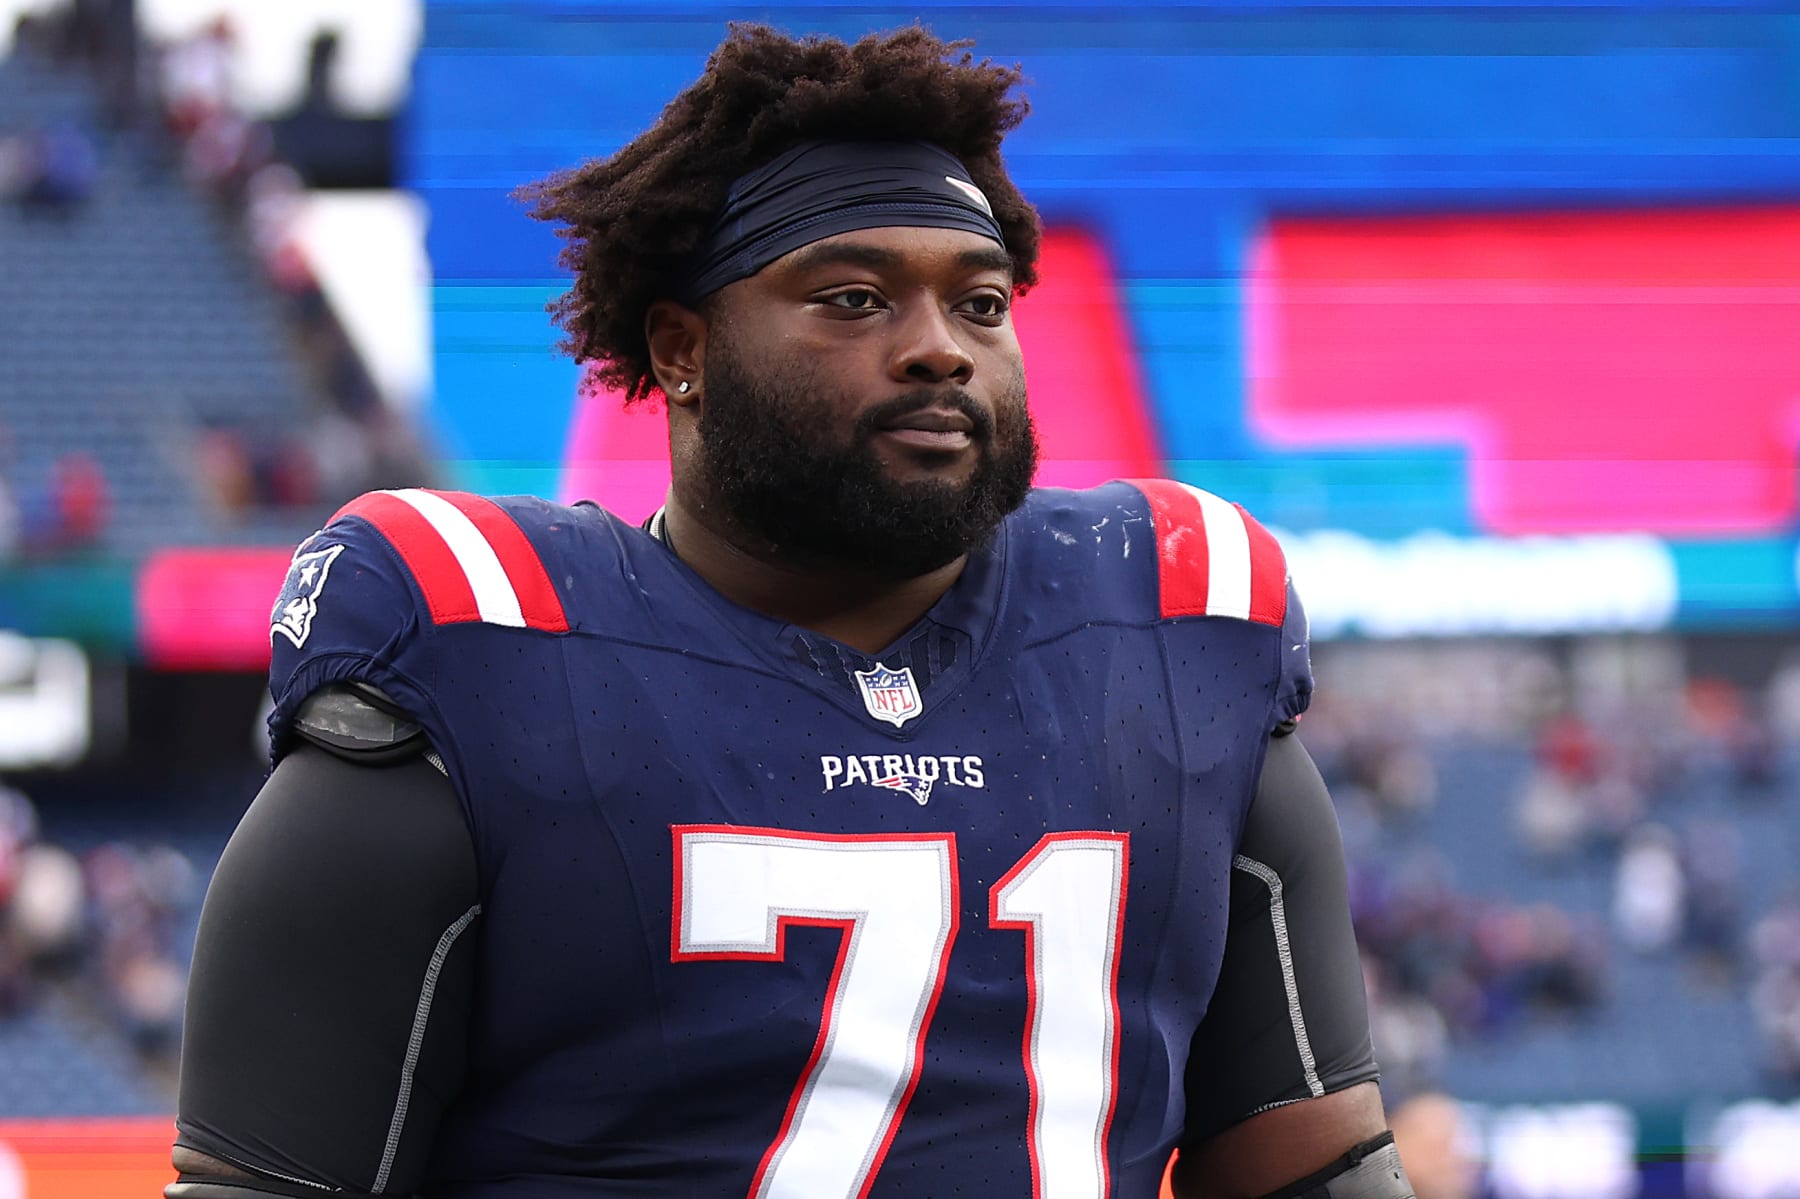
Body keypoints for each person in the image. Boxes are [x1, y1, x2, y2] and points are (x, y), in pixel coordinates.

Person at [169, 25, 1414, 1199]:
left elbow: (1313, 1164)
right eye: (854, 297)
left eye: (981, 303)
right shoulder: (482, 650)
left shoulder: (1170, 632)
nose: (941, 348)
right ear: (679, 350)